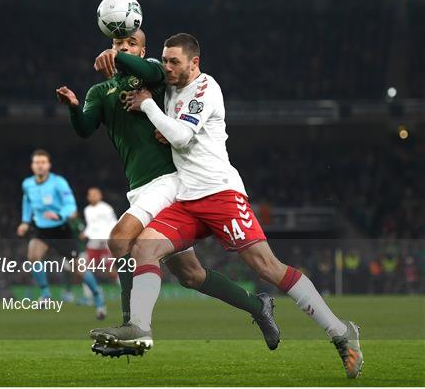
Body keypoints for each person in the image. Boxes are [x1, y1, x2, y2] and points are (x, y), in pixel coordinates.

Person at [92, 33, 364, 379]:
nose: (167, 67)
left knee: (268, 268)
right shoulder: (168, 87)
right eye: (164, 60)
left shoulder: (206, 88)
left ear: (195, 63)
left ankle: (341, 332)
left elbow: (181, 136)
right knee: (145, 247)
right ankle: (140, 329)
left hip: (221, 194)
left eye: (175, 61)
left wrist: (148, 105)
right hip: (187, 199)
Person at [56, 29, 278, 356]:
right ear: (110, 45)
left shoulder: (155, 76)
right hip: (139, 188)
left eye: (131, 44)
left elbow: (150, 72)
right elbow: (84, 129)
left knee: (119, 240)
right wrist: (74, 107)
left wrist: (122, 60)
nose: (124, 47)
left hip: (169, 181)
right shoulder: (100, 91)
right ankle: (258, 307)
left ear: (142, 50)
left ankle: (133, 327)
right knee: (191, 275)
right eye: (119, 44)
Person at [16, 149, 106, 319]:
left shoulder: (58, 183)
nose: (40, 166)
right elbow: (26, 200)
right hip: (41, 230)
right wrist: (25, 221)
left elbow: (70, 205)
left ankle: (97, 296)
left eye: (43, 162)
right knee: (33, 255)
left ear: (48, 165)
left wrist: (60, 215)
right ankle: (46, 294)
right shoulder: (28, 184)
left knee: (77, 268)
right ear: (32, 166)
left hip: (61, 230)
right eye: (37, 162)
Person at [82, 187, 118, 280]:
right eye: (91, 194)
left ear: (100, 196)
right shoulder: (87, 210)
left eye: (95, 194)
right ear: (88, 197)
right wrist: (85, 233)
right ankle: (90, 291)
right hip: (93, 242)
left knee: (110, 268)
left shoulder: (106, 208)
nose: (93, 196)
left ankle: (123, 287)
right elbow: (91, 226)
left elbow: (113, 223)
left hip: (105, 241)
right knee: (87, 266)